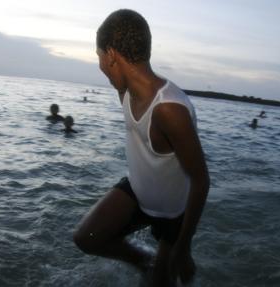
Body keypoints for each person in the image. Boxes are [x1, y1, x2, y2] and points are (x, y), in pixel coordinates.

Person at [73, 9, 210, 287]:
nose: (100, 66)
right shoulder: (124, 90)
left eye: (99, 56)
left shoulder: (169, 109)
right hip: (138, 190)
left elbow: (201, 180)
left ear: (111, 55)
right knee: (86, 238)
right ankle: (144, 260)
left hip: (172, 211)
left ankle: (164, 261)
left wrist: (184, 246)